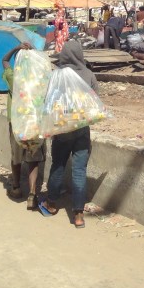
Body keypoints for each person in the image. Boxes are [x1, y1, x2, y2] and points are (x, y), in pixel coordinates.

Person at [39, 40, 99, 228]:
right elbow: (95, 100)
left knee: (58, 165)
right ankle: (79, 215)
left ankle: (51, 204)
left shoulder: (57, 75)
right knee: (79, 170)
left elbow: (48, 100)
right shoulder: (88, 74)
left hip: (63, 128)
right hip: (82, 128)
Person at [2, 42, 46, 210]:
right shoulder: (38, 79)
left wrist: (16, 48)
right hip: (34, 124)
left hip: (17, 125)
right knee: (33, 159)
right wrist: (33, 51)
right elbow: (44, 64)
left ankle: (16, 188)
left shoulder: (14, 77)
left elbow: (4, 60)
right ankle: (32, 194)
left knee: (16, 157)